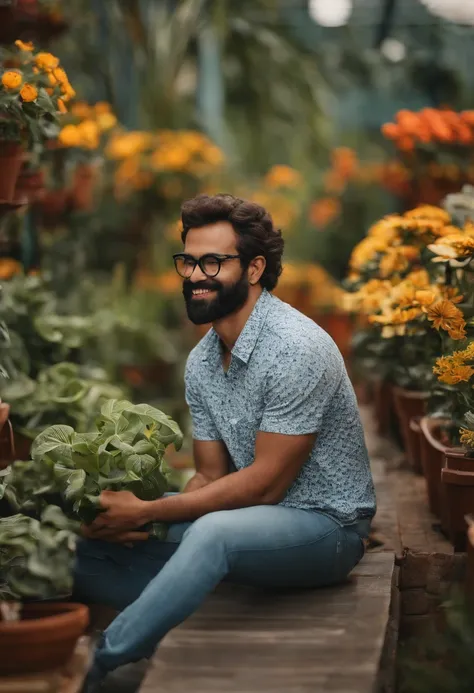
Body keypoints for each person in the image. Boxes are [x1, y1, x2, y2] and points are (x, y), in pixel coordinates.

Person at [76, 193, 376, 690]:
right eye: (188, 261)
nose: (195, 275)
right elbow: (210, 477)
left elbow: (262, 488)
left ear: (255, 268)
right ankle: (176, 597)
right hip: (242, 528)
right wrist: (135, 519)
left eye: (212, 262)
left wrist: (149, 511)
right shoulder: (202, 361)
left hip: (327, 528)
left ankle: (96, 664)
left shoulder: (297, 349)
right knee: (89, 537)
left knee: (208, 534)